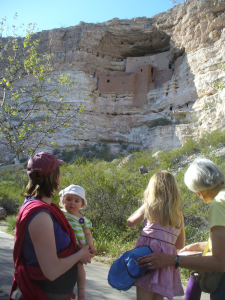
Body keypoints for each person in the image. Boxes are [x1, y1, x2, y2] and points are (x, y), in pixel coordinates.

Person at [9, 152, 94, 300]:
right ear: (55, 177)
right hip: (40, 294)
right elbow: (51, 270)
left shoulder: (44, 208)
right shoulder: (40, 215)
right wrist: (80, 255)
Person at [137, 158, 225, 300]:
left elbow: (220, 262)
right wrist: (201, 246)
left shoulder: (219, 203)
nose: (198, 195)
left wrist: (173, 260)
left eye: (196, 191)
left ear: (201, 186)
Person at [127, 170, 185, 300]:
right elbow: (180, 244)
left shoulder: (149, 206)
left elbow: (130, 223)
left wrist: (145, 204)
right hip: (166, 261)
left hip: (147, 258)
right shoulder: (178, 215)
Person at [59, 184, 96, 300]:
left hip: (80, 247)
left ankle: (81, 289)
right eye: (68, 199)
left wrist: (90, 245)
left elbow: (87, 233)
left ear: (82, 204)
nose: (72, 203)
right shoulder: (60, 214)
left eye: (76, 201)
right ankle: (67, 290)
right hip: (65, 247)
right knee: (63, 269)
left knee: (79, 267)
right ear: (63, 200)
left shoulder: (82, 219)